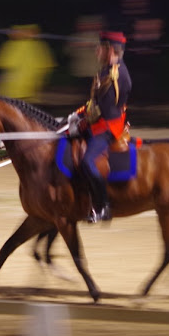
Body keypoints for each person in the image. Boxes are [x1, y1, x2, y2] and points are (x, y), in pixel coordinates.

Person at [69, 31, 132, 223]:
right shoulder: (106, 71)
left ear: (110, 50)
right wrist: (77, 115)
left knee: (88, 161)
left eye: (101, 48)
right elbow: (92, 104)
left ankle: (103, 205)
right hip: (98, 123)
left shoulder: (116, 75)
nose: (97, 51)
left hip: (107, 129)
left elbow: (106, 111)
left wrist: (82, 124)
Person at [0, 24, 57, 103]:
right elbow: (47, 66)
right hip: (30, 88)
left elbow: (3, 64)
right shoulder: (40, 46)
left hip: (12, 88)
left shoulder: (12, 45)